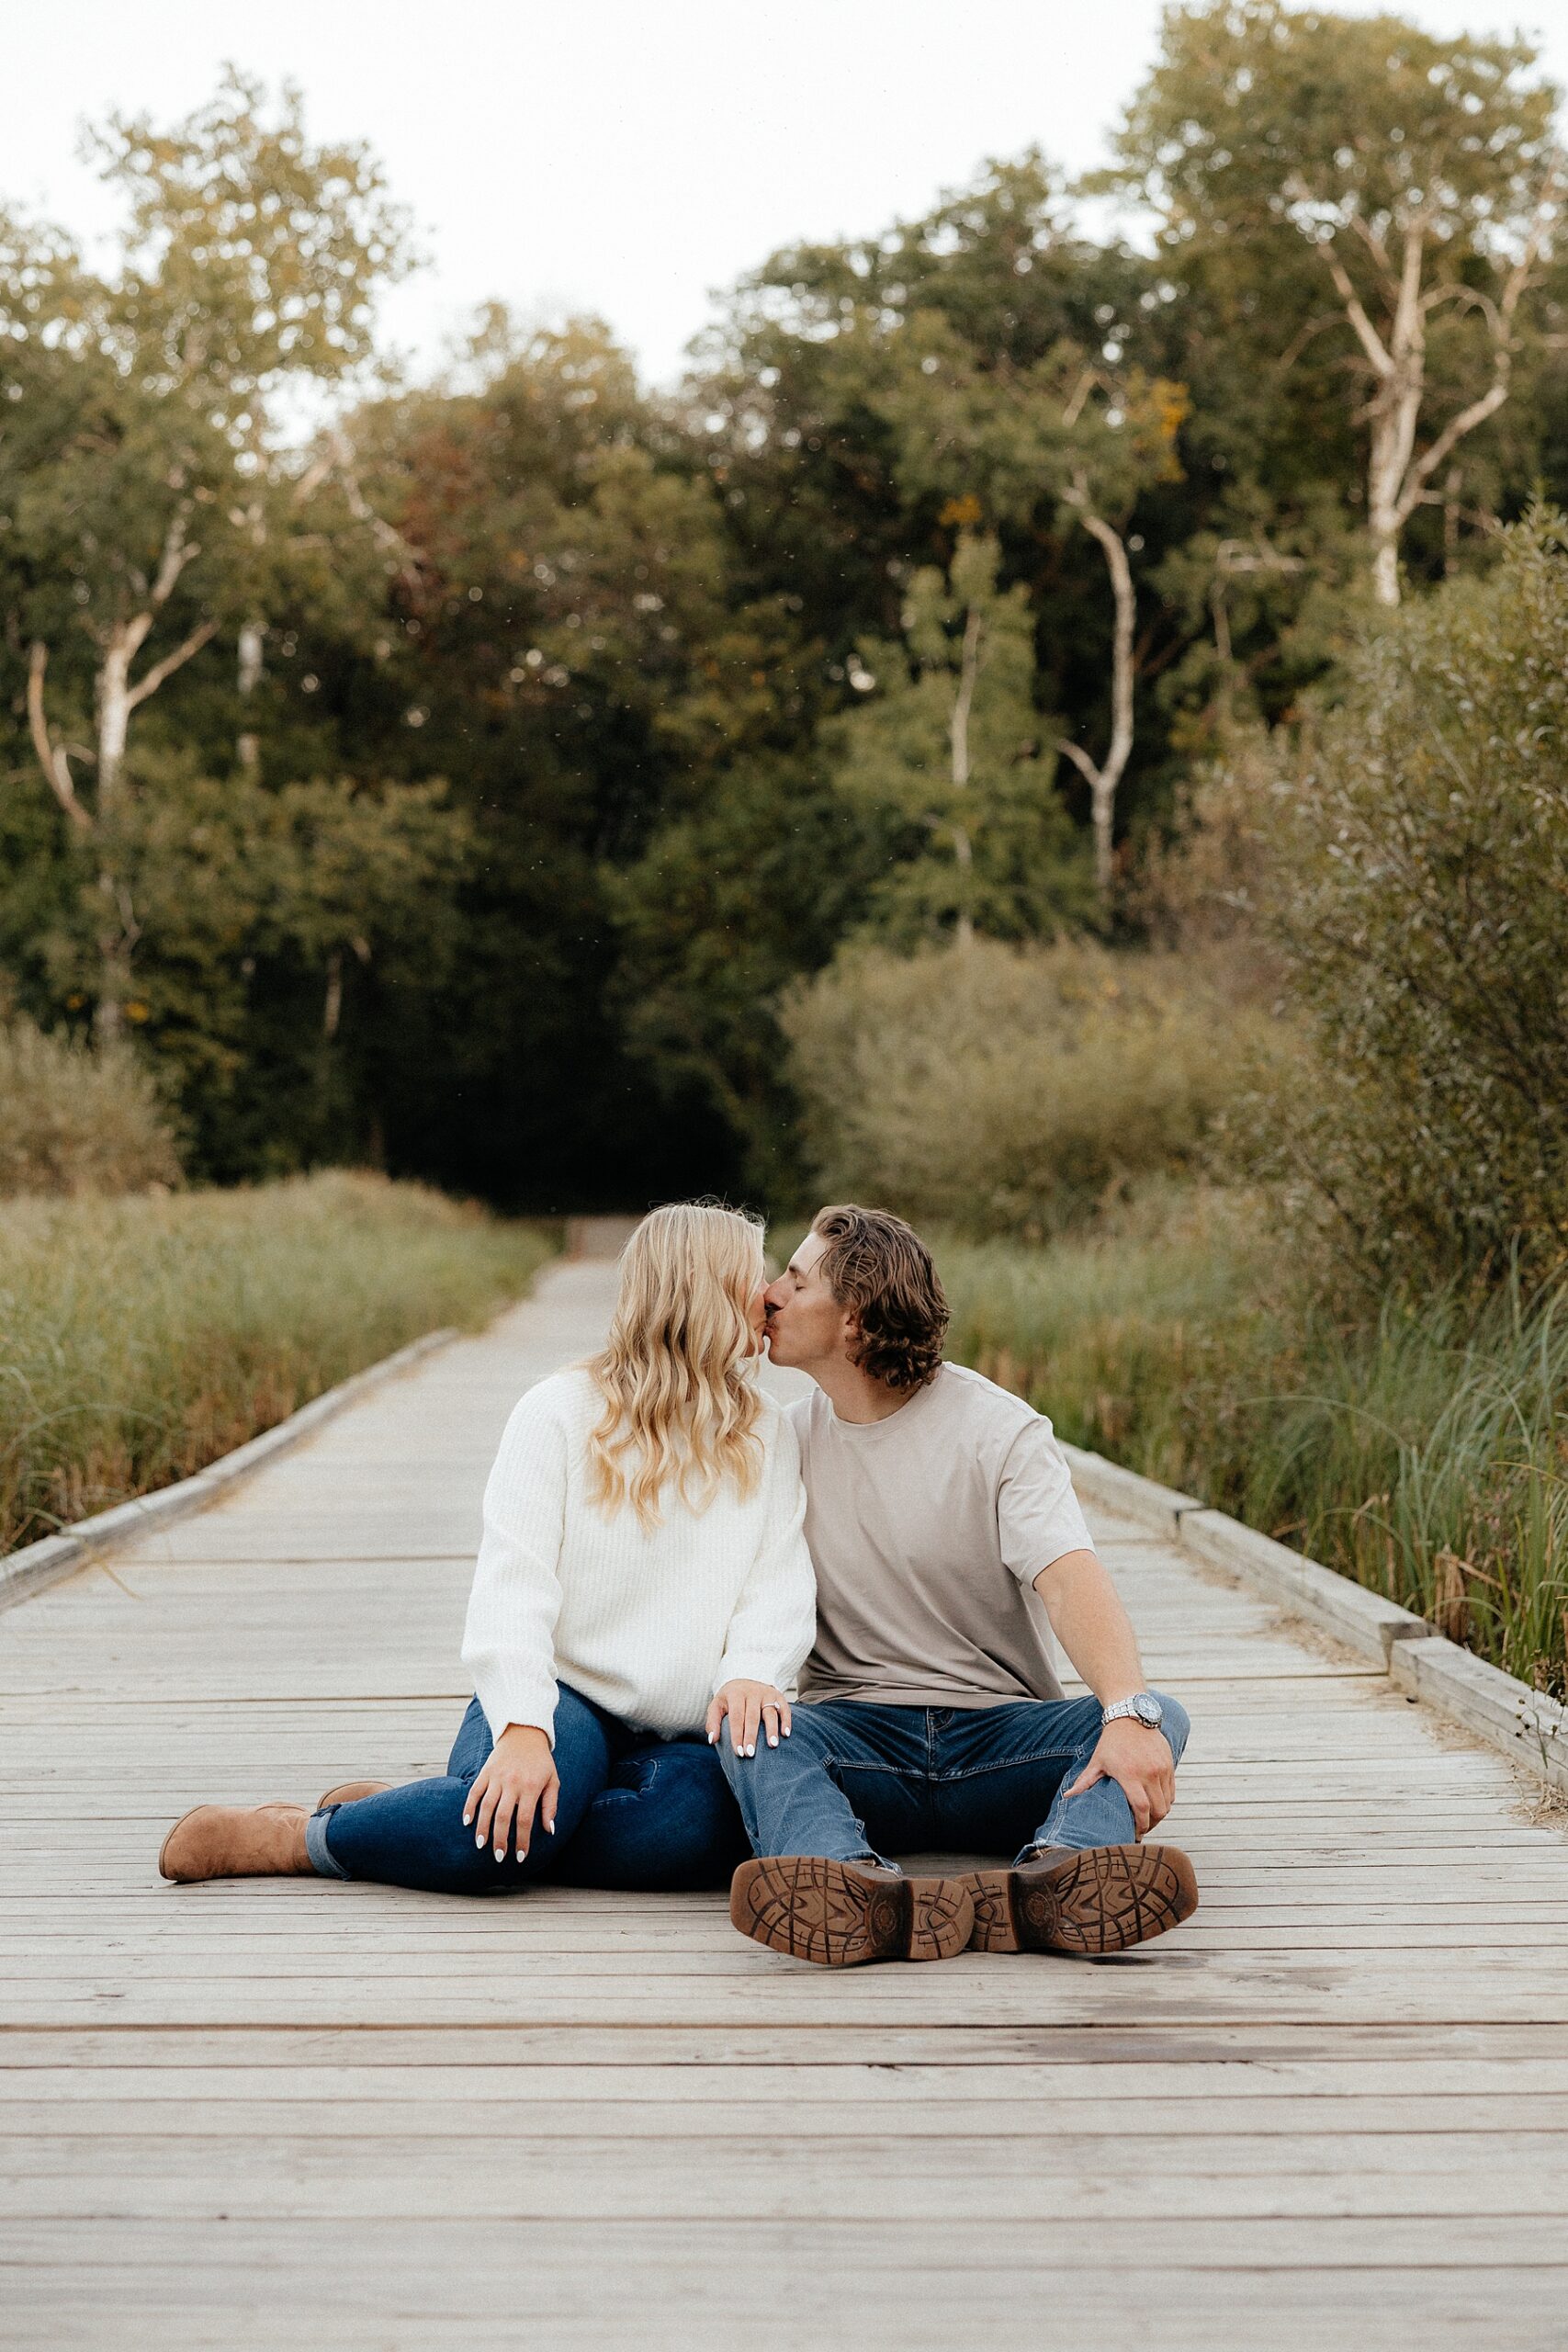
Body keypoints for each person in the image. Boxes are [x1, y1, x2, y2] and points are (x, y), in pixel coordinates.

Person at [158, 1203, 833, 1905]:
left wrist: (755, 1671)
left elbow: (777, 1577)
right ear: (703, 1294)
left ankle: (423, 1812)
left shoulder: (765, 1431)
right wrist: (519, 1728)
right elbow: (513, 1587)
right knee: (505, 1841)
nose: (770, 1295)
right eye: (753, 1276)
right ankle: (300, 1838)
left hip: (686, 1730)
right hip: (563, 1696)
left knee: (693, 1834)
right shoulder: (559, 1411)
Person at [719, 1204, 1198, 1968]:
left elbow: (1069, 1578)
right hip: (855, 1741)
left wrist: (1127, 1711)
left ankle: (1057, 1873)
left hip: (999, 1742)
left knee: (1153, 1712)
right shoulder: (781, 1439)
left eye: (795, 1280)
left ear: (853, 1323)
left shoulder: (999, 1430)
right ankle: (846, 1882)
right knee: (751, 1724)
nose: (767, 1293)